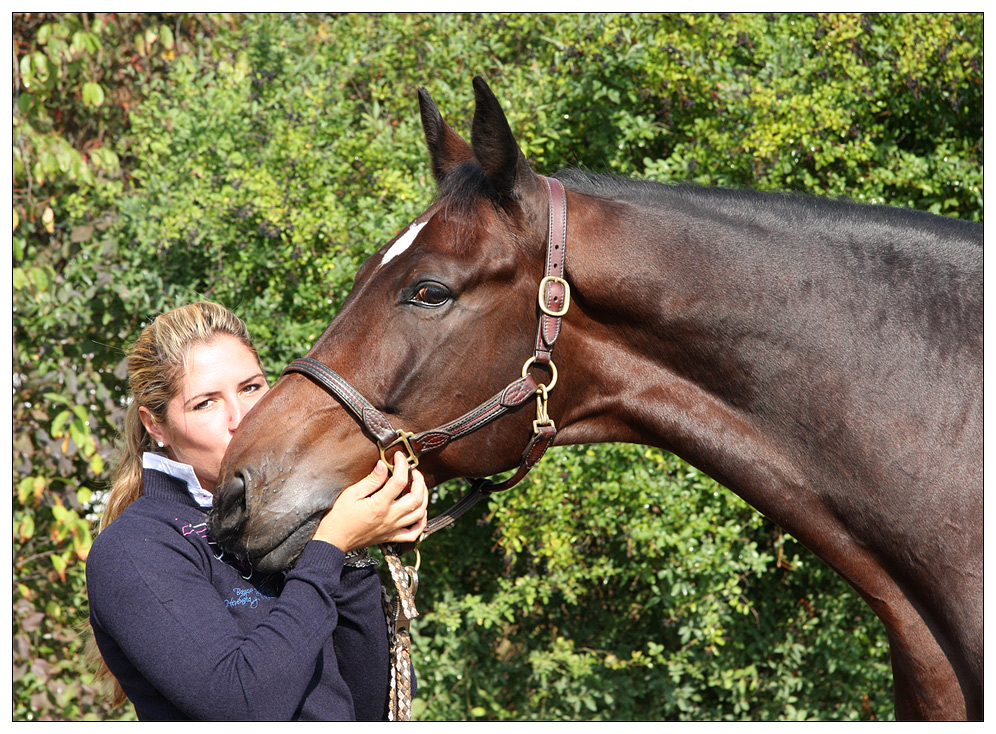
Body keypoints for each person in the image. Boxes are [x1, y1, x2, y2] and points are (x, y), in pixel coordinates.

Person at [85, 301, 428, 721]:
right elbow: (242, 706)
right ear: (155, 426)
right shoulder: (135, 548)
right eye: (204, 404)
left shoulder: (289, 524)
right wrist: (331, 545)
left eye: (251, 388)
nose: (241, 418)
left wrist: (352, 547)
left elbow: (368, 707)